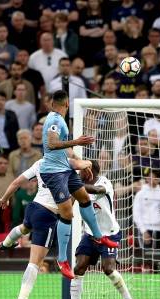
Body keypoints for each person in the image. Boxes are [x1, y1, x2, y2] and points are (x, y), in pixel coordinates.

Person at [0, 157, 91, 299]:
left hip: (33, 207)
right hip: (47, 214)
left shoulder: (40, 163)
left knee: (25, 227)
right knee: (35, 262)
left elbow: (16, 182)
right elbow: (70, 200)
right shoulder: (66, 163)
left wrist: (4, 198)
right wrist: (86, 165)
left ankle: (6, 243)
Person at [38, 90, 117, 279]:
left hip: (64, 168)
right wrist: (78, 141)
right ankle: (62, 259)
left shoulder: (57, 118)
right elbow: (51, 144)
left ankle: (98, 236)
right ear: (67, 105)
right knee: (67, 213)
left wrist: (82, 164)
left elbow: (67, 150)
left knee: (83, 197)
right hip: (54, 173)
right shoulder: (55, 121)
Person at [64, 160, 141, 299]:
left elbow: (97, 190)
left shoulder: (104, 182)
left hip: (109, 234)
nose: (78, 172)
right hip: (90, 234)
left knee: (109, 269)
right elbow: (69, 204)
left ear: (89, 171)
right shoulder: (79, 186)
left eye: (81, 170)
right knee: (78, 267)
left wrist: (74, 185)